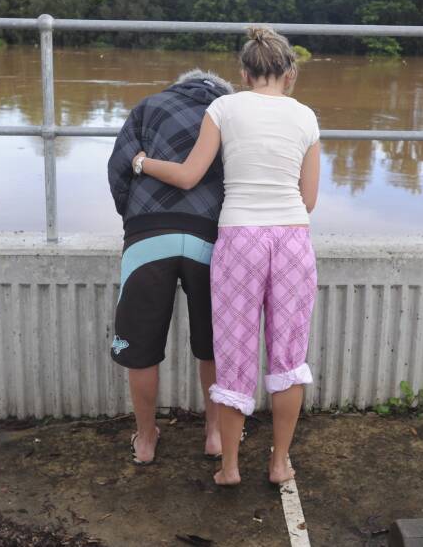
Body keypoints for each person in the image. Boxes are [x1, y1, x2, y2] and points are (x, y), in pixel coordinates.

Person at [131, 27, 320, 486]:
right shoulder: (306, 117)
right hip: (293, 240)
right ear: (289, 73)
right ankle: (278, 464)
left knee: (234, 354)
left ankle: (230, 467)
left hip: (239, 241)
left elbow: (190, 175)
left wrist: (141, 162)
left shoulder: (223, 107)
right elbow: (308, 198)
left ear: (243, 73)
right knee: (288, 358)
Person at [107, 69, 234, 465]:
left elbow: (118, 169)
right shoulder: (229, 114)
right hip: (210, 237)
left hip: (149, 233)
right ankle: (214, 435)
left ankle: (146, 441)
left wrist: (135, 217)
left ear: (180, 85)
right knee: (213, 345)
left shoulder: (147, 107)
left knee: (141, 347)